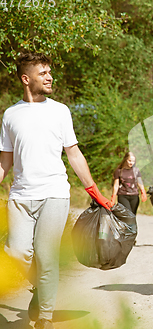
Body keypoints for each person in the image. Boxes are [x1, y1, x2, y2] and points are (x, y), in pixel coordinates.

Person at [0, 52, 112, 329]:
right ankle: (41, 287)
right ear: (26, 79)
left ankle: (45, 318)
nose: (50, 77)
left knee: (47, 255)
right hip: (21, 196)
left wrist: (94, 190)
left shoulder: (60, 110)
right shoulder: (10, 115)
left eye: (50, 72)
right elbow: (5, 161)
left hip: (54, 193)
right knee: (16, 252)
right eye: (43, 73)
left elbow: (73, 154)